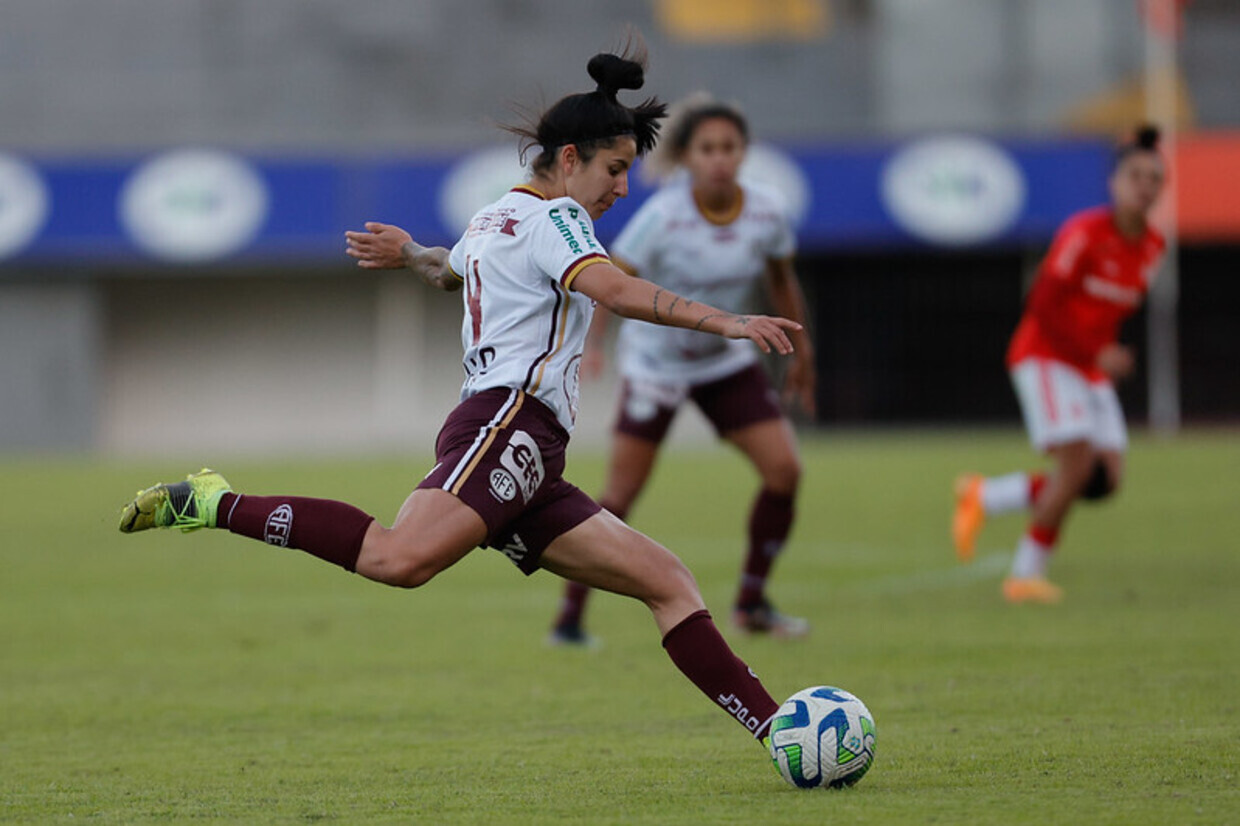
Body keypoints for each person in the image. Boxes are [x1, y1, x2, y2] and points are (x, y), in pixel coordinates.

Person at [118, 46, 805, 751]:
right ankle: (210, 503)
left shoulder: (494, 218)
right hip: (507, 421)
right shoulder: (559, 221)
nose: (623, 188)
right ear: (569, 159)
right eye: (615, 169)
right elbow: (618, 290)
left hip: (532, 448)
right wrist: (725, 319)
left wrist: (414, 251)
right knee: (398, 560)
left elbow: (450, 271)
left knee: (667, 581)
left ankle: (778, 731)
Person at [547, 93, 816, 646]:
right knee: (619, 496)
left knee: (785, 471)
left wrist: (802, 357)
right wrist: (591, 347)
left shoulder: (766, 211)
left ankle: (752, 603)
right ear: (688, 157)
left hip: (723, 363)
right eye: (707, 149)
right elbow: (607, 282)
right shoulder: (663, 216)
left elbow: (784, 283)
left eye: (729, 148)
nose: (719, 158)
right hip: (656, 366)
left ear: (744, 154)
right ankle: (569, 620)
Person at [952, 125, 1167, 604]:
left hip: (1087, 365)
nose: (1144, 185)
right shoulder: (1084, 233)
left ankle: (986, 496)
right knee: (1075, 466)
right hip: (1045, 355)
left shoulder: (1154, 247)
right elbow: (1044, 305)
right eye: (1135, 175)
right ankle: (1024, 575)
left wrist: (1106, 353)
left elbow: (1104, 312)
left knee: (1104, 480)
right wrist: (1098, 352)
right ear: (1114, 182)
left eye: (1154, 178)